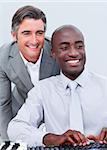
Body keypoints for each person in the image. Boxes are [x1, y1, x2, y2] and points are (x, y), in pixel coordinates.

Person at [7, 25, 107, 147]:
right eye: (64, 48)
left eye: (79, 46)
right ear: (53, 53)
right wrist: (50, 138)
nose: (73, 53)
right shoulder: (42, 90)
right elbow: (15, 128)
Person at [0, 5, 60, 140]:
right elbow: (3, 104)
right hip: (21, 114)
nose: (34, 41)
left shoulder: (56, 51)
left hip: (54, 117)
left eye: (39, 33)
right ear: (14, 36)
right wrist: (7, 142)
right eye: (26, 33)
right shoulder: (3, 57)